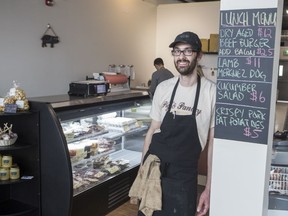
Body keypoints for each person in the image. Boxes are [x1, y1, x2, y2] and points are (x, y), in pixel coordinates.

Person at [129, 31, 215, 216]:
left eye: (188, 51)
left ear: (199, 55)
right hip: (154, 172)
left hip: (183, 178)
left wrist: (209, 187)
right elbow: (152, 130)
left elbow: (213, 144)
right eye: (177, 51)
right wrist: (142, 170)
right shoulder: (164, 88)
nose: (181, 57)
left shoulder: (211, 92)